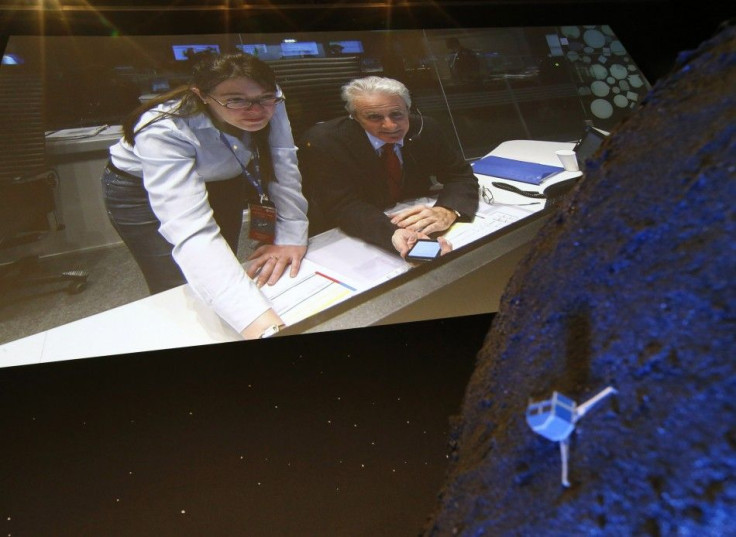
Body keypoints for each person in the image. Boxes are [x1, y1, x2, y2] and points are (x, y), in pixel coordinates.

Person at [102, 53, 308, 340]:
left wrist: (291, 235)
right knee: (176, 279)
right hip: (137, 189)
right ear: (201, 95)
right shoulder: (163, 127)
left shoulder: (269, 97)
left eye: (264, 97)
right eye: (235, 100)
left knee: (222, 260)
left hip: (222, 177)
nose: (256, 109)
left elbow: (282, 159)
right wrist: (261, 325)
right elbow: (191, 231)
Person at [298, 76, 478, 257]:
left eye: (397, 114)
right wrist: (391, 234)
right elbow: (343, 205)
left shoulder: (427, 128)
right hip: (358, 231)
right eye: (374, 117)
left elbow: (459, 175)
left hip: (412, 213)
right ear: (355, 117)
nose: (390, 125)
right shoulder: (324, 142)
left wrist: (447, 209)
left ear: (408, 109)